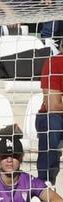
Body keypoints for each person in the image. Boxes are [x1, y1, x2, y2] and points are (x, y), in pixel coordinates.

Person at [36, 48, 63, 184]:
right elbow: (53, 106)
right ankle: (45, 181)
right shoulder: (56, 63)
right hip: (54, 118)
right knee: (52, 123)